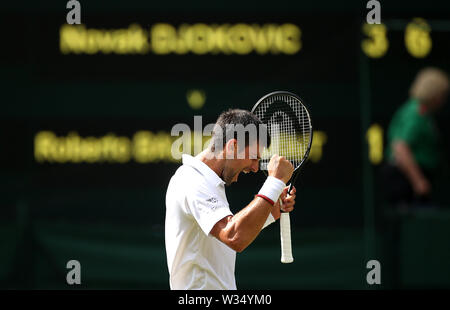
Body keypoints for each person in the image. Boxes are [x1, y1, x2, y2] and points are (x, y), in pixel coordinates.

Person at [165, 109, 296, 290]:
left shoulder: (209, 181)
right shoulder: (192, 180)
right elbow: (235, 236)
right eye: (253, 158)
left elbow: (233, 232)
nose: (256, 168)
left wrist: (273, 206)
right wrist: (273, 183)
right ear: (232, 147)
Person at [383, 67, 449, 208]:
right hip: (404, 182)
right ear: (434, 94)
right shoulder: (415, 113)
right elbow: (400, 147)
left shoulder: (419, 112)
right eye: (443, 95)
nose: (444, 100)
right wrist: (418, 181)